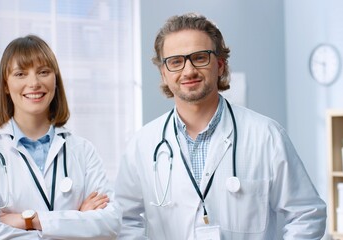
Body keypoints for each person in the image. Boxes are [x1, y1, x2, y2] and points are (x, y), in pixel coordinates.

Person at [115, 13, 326, 240]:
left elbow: (307, 214)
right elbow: (125, 222)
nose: (188, 71)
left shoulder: (266, 136)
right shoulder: (143, 144)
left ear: (220, 65)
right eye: (176, 61)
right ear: (164, 73)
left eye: (200, 57)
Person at [0, 35, 121, 239]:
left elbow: (110, 224)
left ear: (55, 79)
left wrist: (29, 220)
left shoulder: (83, 150)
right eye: (21, 74)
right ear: (5, 85)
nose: (34, 83)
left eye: (43, 72)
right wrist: (76, 221)